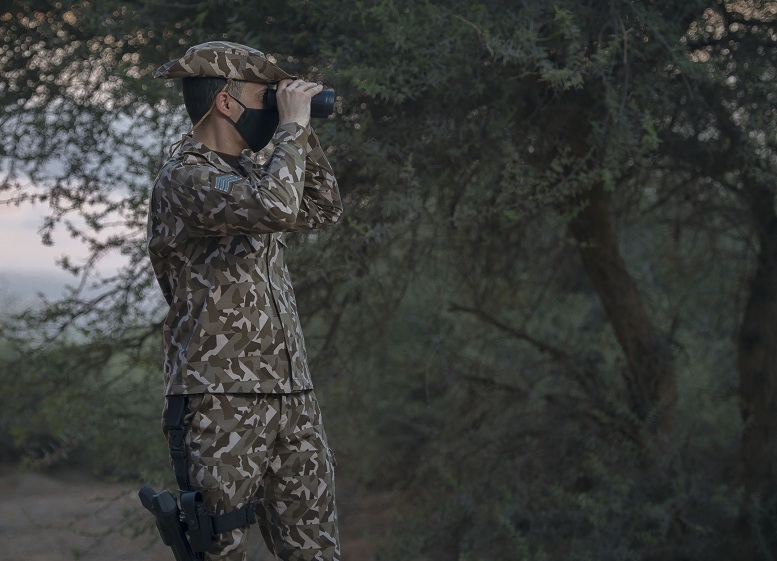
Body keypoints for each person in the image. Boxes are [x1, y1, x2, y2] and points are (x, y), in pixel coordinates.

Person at [146, 41, 342, 561]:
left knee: (317, 550)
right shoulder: (186, 177)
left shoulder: (254, 173)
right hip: (221, 396)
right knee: (222, 549)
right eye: (266, 96)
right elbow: (277, 209)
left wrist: (300, 126)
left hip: (290, 391)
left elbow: (321, 208)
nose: (277, 105)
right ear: (228, 103)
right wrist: (291, 128)